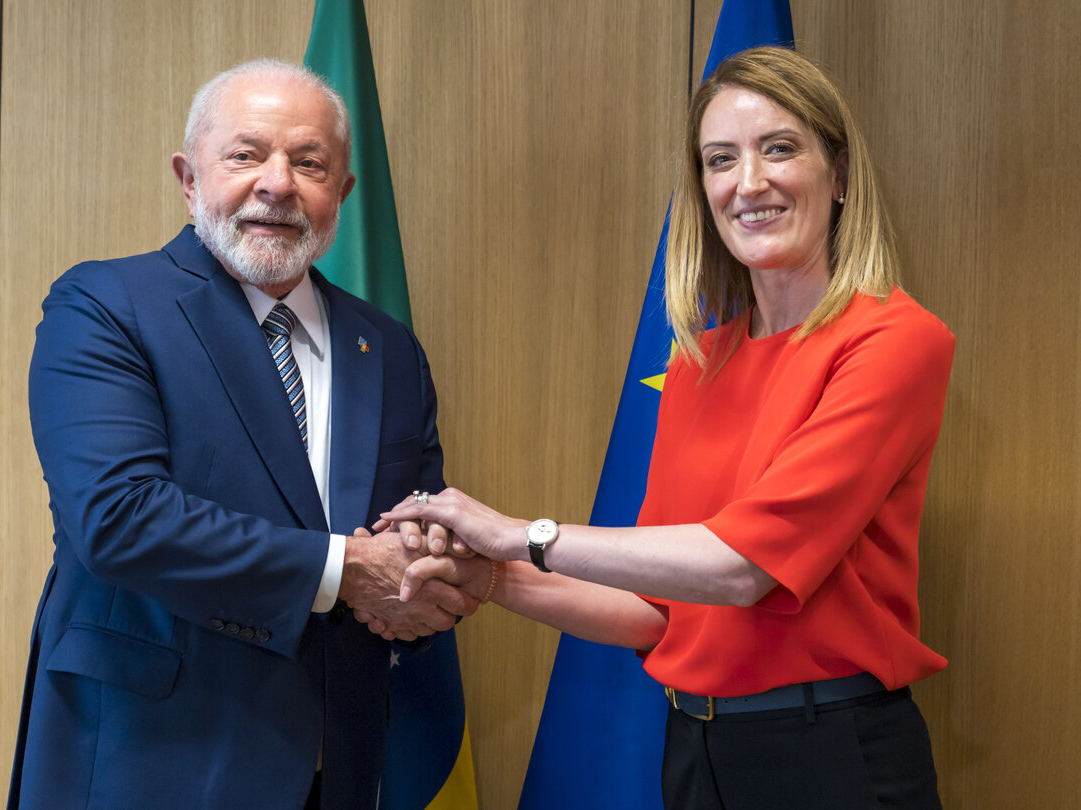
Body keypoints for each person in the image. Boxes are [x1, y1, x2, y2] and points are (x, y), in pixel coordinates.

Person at [379, 46, 952, 809]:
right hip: (691, 749)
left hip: (828, 755)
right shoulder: (695, 364)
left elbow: (742, 568)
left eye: (778, 148)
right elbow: (656, 610)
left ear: (838, 173)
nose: (748, 183)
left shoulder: (891, 342)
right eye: (721, 160)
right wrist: (487, 576)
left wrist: (518, 535)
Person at [7, 59, 484, 810]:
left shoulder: (387, 349)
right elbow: (117, 519)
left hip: (339, 766)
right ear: (189, 177)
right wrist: (344, 569)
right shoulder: (105, 306)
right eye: (246, 154)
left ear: (342, 196)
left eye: (309, 162)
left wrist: (423, 589)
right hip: (150, 759)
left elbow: (409, 538)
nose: (277, 183)